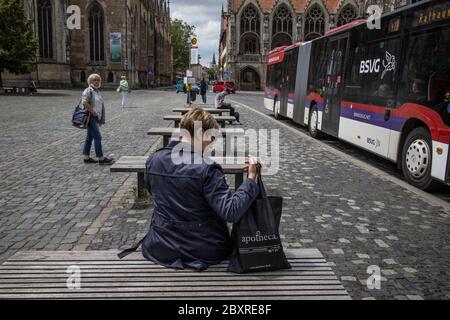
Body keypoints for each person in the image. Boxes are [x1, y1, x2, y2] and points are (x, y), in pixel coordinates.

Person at [139, 108, 260, 270]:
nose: (210, 143)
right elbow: (231, 212)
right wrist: (251, 179)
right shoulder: (207, 168)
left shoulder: (154, 160)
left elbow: (153, 192)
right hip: (203, 249)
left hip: (160, 247)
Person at [81, 74, 114, 165]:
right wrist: (93, 112)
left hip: (96, 117)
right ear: (90, 81)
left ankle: (86, 157)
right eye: (94, 80)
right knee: (98, 137)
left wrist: (100, 117)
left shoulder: (97, 91)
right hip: (90, 117)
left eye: (98, 80)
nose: (96, 82)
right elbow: (84, 102)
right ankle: (101, 158)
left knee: (89, 137)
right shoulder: (88, 91)